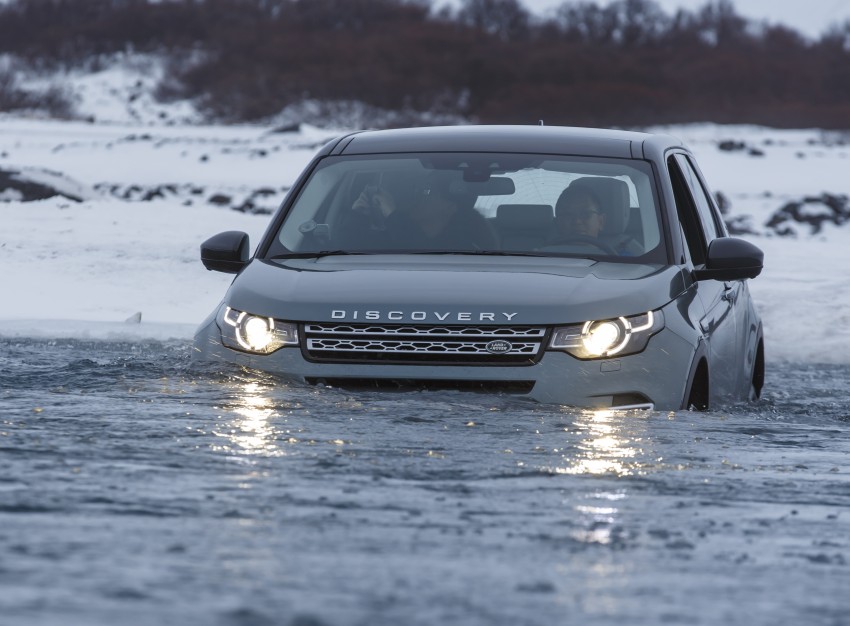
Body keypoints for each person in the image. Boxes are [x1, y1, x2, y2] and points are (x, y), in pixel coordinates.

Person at [347, 171, 498, 251]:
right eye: (417, 189)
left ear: (449, 207)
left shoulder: (466, 248)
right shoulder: (393, 233)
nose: (417, 195)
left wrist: (393, 214)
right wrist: (358, 216)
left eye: (427, 191)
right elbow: (347, 247)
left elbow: (420, 248)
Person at [551, 181, 642, 255]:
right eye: (568, 215)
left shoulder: (628, 260)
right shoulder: (539, 256)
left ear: (601, 222)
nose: (577, 221)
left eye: (586, 214)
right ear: (557, 222)